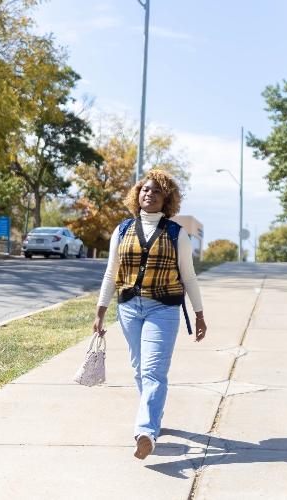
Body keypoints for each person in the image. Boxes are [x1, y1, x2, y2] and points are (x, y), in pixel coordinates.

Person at [93, 169, 207, 460]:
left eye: (156, 191)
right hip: (129, 308)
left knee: (153, 371)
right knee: (138, 369)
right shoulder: (122, 230)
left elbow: (189, 276)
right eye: (145, 189)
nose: (149, 194)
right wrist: (100, 312)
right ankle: (153, 417)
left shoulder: (176, 233)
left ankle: (145, 432)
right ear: (137, 194)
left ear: (166, 199)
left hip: (164, 309)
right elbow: (111, 272)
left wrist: (199, 314)